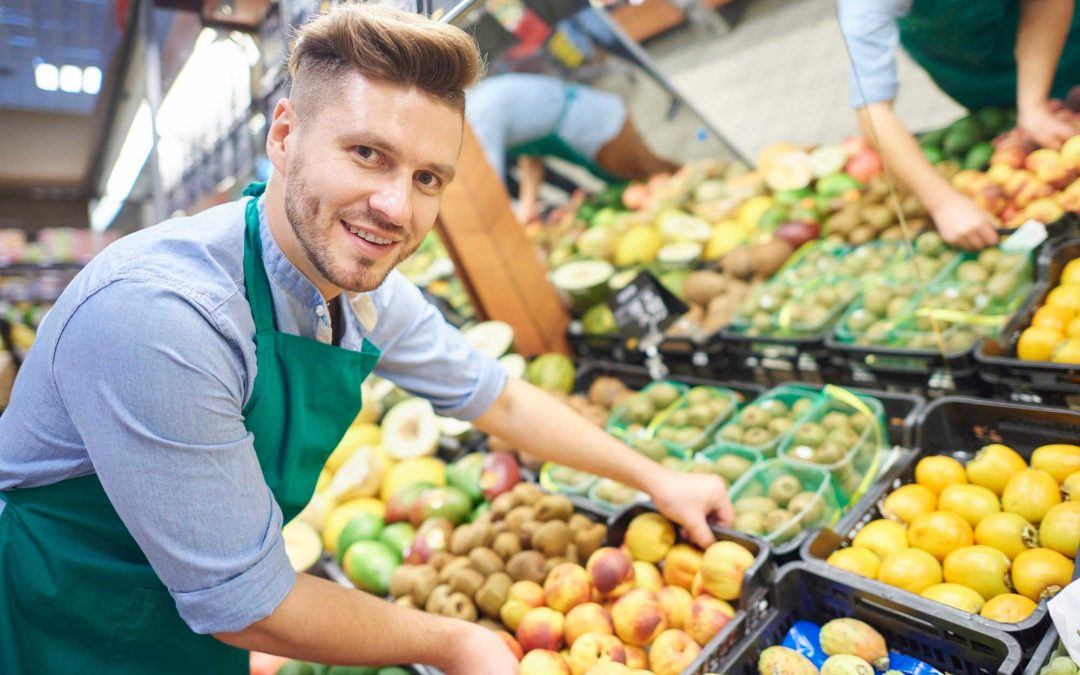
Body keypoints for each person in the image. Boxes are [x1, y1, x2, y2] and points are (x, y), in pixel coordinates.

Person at [0, 5, 732, 674]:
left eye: (427, 178)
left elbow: (496, 398)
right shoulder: (166, 318)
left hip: (192, 622)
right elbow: (248, 606)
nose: (395, 207)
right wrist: (456, 641)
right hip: (60, 629)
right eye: (367, 154)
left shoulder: (365, 294)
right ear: (283, 136)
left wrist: (657, 478)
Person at [838, 0, 1080, 249]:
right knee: (999, 119)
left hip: (1061, 38)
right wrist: (944, 203)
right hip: (969, 64)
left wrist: (1033, 106)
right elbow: (872, 109)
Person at [466, 72, 680, 222]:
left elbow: (490, 187)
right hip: (592, 124)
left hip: (599, 126)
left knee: (657, 178)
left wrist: (519, 215)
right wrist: (527, 206)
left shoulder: (479, 116)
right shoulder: (479, 105)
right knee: (646, 186)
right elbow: (531, 157)